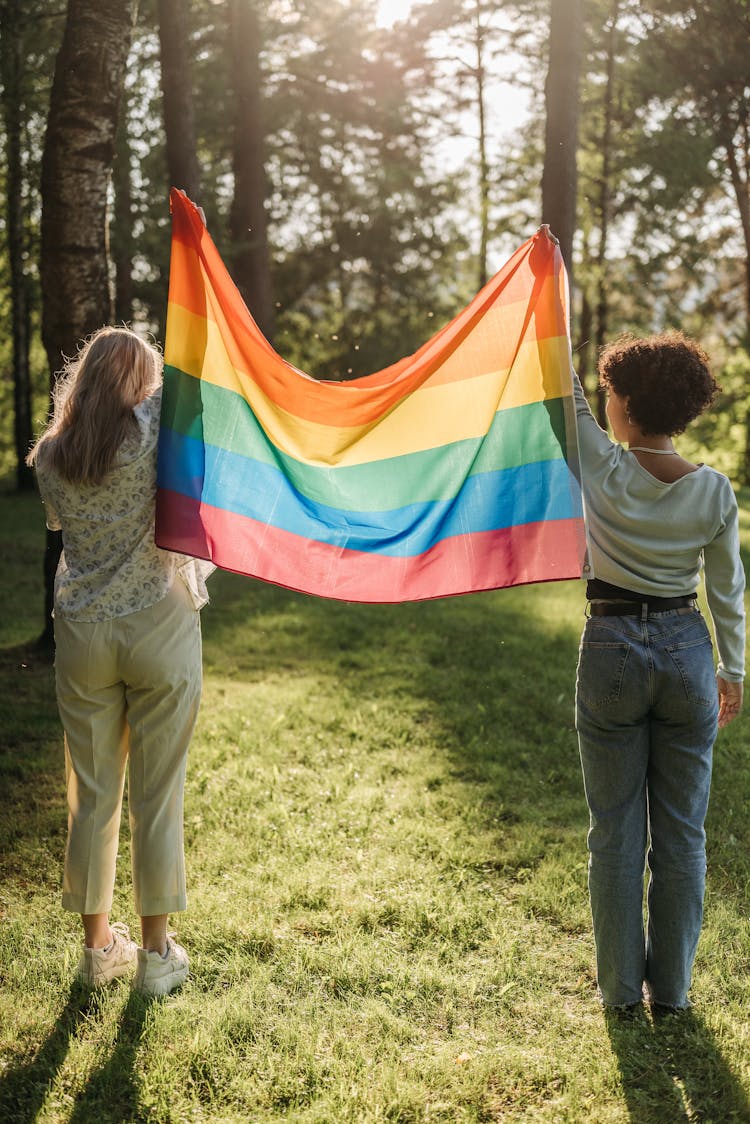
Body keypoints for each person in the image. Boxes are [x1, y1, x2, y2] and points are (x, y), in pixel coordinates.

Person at [27, 326, 213, 996]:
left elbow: (59, 527)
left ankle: (98, 948)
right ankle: (156, 957)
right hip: (158, 624)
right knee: (157, 797)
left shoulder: (51, 455)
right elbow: (197, 383)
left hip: (82, 633)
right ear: (139, 383)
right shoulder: (153, 429)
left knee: (93, 797)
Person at [572, 330, 745, 1012]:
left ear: (628, 405)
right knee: (682, 831)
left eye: (612, 392)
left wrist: (548, 288)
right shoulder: (715, 492)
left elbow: (565, 393)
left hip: (611, 643)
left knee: (615, 829)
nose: (604, 401)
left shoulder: (603, 467)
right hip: (687, 653)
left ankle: (619, 995)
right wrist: (731, 670)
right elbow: (728, 591)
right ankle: (671, 994)